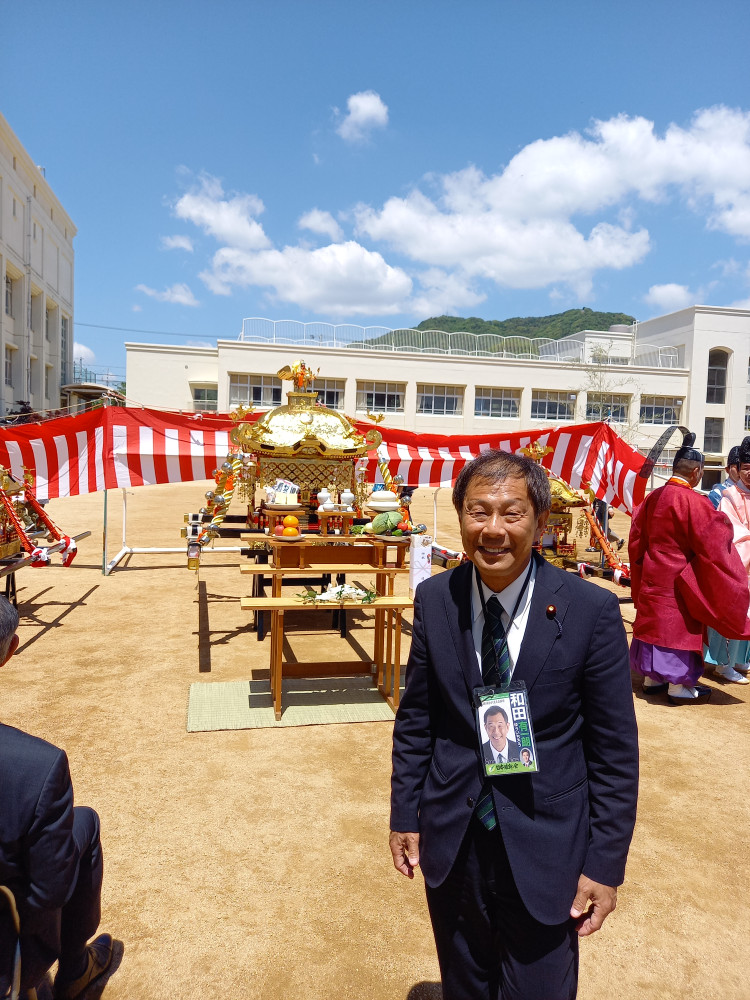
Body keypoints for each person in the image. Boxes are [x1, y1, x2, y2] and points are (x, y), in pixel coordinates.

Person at [390, 450, 638, 1000]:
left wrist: (604, 864)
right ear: (460, 518)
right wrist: (406, 813)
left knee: (539, 987)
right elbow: (416, 723)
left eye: (511, 513)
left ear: (541, 523)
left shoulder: (589, 610)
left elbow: (615, 751)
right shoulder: (436, 599)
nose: (494, 530)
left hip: (546, 836)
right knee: (466, 981)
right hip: (455, 831)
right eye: (479, 512)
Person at [0, 598, 114, 999]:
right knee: (86, 823)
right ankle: (75, 968)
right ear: (11, 650)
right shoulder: (37, 767)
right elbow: (50, 892)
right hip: (8, 961)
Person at [629, 433, 750, 703]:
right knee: (676, 628)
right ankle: (677, 686)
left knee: (653, 625)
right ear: (696, 472)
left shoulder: (653, 497)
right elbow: (714, 540)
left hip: (652, 573)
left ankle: (652, 678)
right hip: (678, 579)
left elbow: (636, 537)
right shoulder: (694, 502)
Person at [707, 436, 750, 684]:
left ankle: (741, 659)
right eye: (745, 468)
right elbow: (730, 532)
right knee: (734, 612)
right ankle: (723, 664)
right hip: (737, 566)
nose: (749, 473)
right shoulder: (728, 496)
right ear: (737, 469)